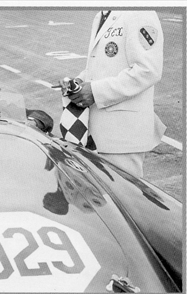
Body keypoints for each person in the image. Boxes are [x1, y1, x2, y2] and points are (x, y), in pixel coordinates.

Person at [59, 10, 166, 178]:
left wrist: (95, 91)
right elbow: (100, 65)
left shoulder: (140, 11)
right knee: (102, 199)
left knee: (125, 198)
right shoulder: (102, 14)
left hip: (123, 137)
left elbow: (148, 70)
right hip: (98, 134)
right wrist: (79, 81)